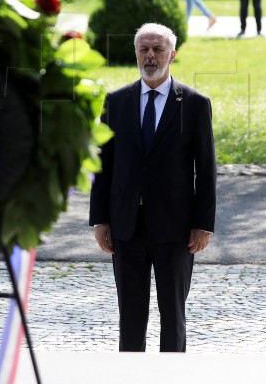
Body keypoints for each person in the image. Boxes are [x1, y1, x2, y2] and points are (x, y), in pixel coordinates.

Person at [89, 22, 216, 352]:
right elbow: (102, 165)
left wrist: (203, 224)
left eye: (157, 49)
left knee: (172, 316)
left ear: (172, 55)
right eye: (143, 49)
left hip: (175, 228)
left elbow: (205, 169)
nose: (150, 56)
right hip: (125, 225)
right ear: (135, 53)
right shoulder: (115, 102)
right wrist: (100, 219)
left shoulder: (194, 104)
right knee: (130, 317)